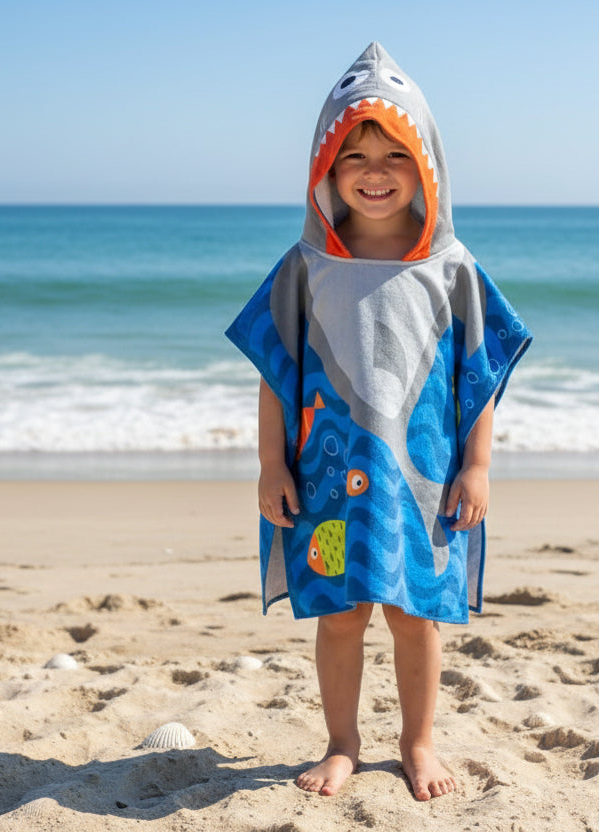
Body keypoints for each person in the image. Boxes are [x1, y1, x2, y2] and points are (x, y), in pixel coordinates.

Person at [226, 42, 531, 801]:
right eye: (354, 154)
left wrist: (477, 466)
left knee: (414, 614)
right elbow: (276, 372)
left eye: (396, 153)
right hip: (328, 478)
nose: (376, 170)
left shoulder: (451, 266)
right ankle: (342, 744)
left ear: (427, 165)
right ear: (325, 168)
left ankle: (418, 743)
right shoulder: (305, 265)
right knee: (340, 615)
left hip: (421, 481)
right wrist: (271, 464)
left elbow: (478, 376)